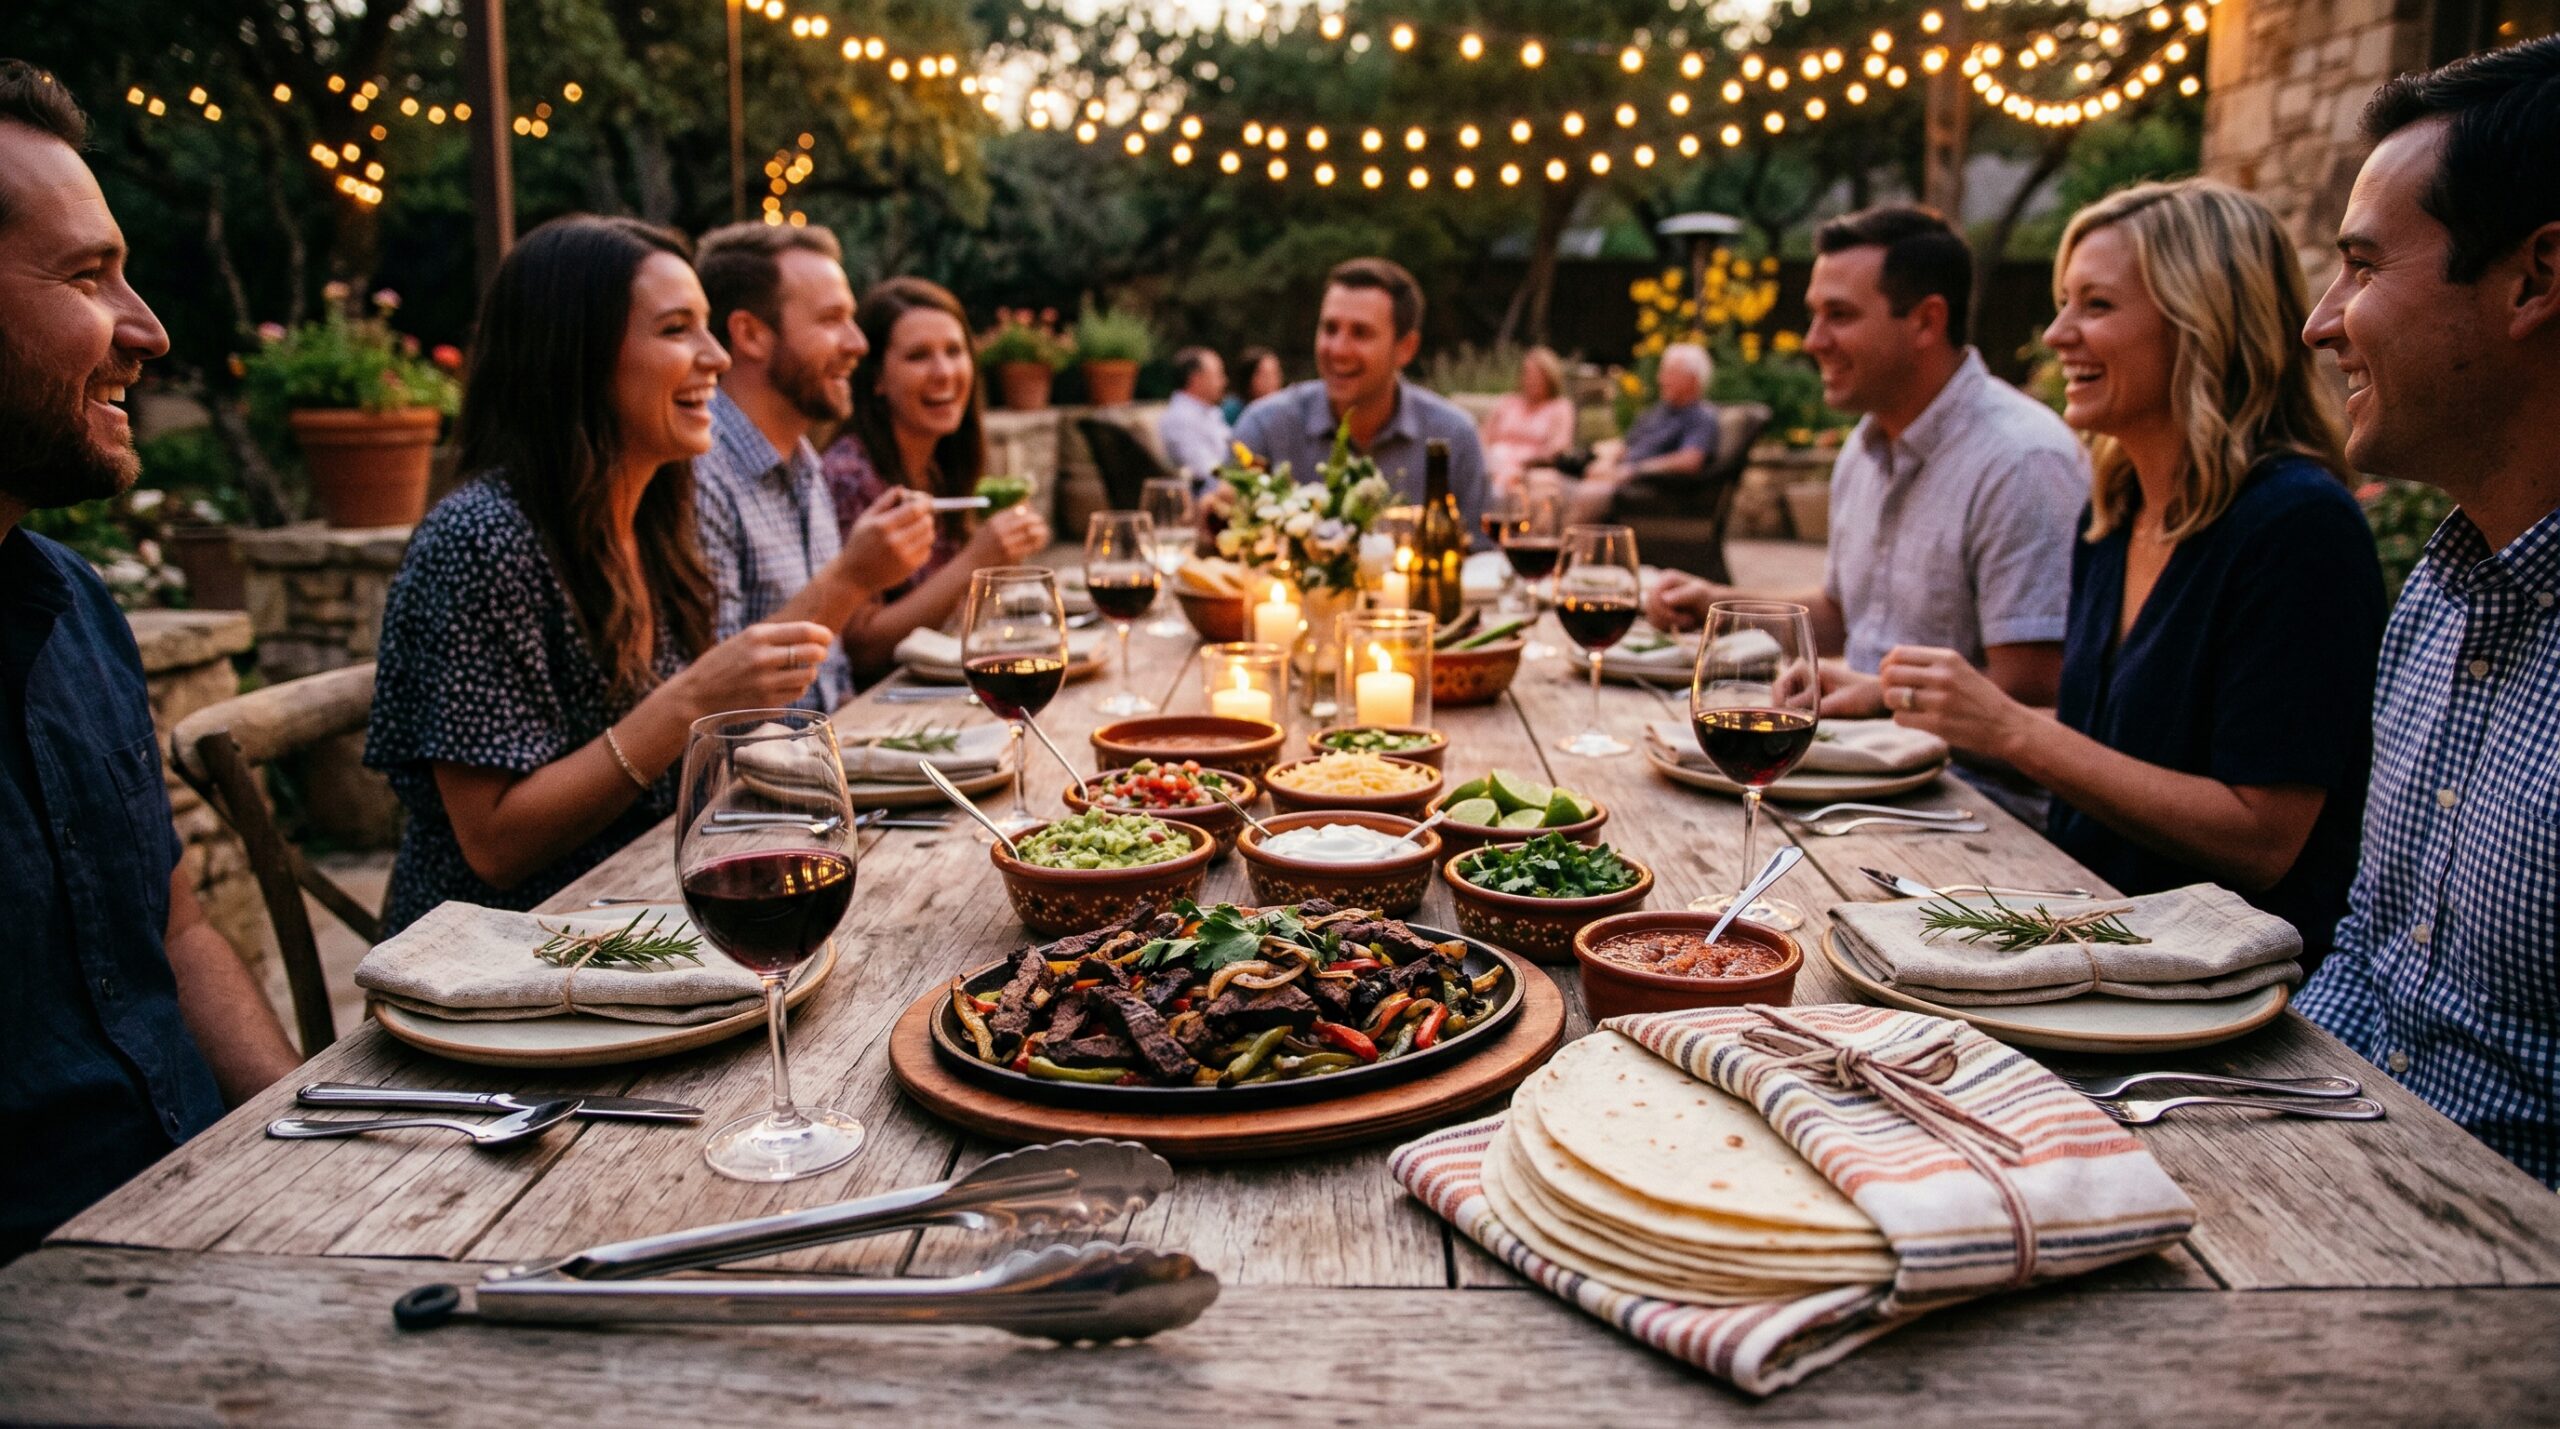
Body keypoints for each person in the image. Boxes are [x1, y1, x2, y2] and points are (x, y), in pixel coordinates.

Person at [1875, 180, 2384, 963]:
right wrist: (1940, 708)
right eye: (2063, 303)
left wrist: (2012, 730)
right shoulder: (2112, 514)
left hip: (2219, 989)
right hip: (2079, 930)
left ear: (2202, 322)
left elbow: (2262, 837)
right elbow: (2109, 751)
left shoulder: (2297, 525)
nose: (2056, 334)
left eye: (2096, 306)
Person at [0, 61, 298, 1259]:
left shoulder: (71, 602)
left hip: (211, 1210)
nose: (150, 330)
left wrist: (302, 1131)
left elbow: (172, 927)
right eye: (87, 275)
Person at [366, 216, 837, 937]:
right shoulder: (481, 540)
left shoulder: (652, 524)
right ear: (574, 354)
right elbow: (494, 845)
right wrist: (691, 704)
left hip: (640, 921)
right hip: (502, 961)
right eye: (678, 328)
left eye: (707, 326)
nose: (714, 357)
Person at [2292, 36, 2560, 1188]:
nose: (2321, 320)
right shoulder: (2440, 599)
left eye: (2360, 266)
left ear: (2535, 279)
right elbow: (2366, 964)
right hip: (2333, 1160)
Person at [1646, 206, 2087, 722]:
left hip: (1968, 793)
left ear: (1926, 321)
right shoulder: (1866, 445)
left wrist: (1883, 696)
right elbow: (1844, 614)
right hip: (1855, 759)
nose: (1813, 340)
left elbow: (2035, 695)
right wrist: (1721, 604)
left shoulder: (2021, 463)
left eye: (1840, 315)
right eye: (1815, 315)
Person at [691, 222, 934, 707]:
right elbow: (713, 710)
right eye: (831, 320)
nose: (858, 343)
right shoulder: (699, 473)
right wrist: (851, 578)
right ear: (751, 334)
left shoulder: (805, 464)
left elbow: (831, 678)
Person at [817, 276, 1051, 656]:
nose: (944, 372)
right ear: (876, 378)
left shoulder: (939, 467)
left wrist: (1005, 560)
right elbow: (861, 646)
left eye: (954, 351)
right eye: (918, 356)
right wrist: (977, 560)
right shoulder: (850, 477)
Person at [1230, 257, 1490, 542]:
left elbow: (1484, 558)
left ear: (1405, 348)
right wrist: (1214, 517)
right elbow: (1215, 537)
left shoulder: (1453, 436)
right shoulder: (1266, 426)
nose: (1338, 349)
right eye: (1330, 329)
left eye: (1360, 333)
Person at [1546, 342, 1718, 525]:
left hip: (1647, 487)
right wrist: (1606, 462)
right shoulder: (1658, 412)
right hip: (1617, 477)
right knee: (1544, 483)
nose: (1661, 379)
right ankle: (1536, 548)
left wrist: (1632, 471)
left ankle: (1566, 550)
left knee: (1589, 494)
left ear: (1692, 379)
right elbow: (1625, 445)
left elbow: (1690, 461)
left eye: (1669, 373)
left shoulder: (1701, 417)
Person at [1478, 344, 1576, 493]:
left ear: (1550, 377)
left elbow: (1559, 446)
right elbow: (1482, 436)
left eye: (1538, 375)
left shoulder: (1560, 407)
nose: (1531, 379)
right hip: (1494, 462)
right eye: (1528, 373)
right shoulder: (1508, 402)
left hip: (1530, 468)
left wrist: (1522, 463)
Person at [1157, 344, 1232, 491]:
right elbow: (1204, 471)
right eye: (1218, 375)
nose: (1224, 381)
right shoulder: (1179, 419)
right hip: (1205, 497)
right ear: (1196, 379)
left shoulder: (1209, 412)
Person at [1221, 345, 1281, 424]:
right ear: (1248, 378)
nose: (1273, 380)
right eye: (1265, 375)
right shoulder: (1232, 410)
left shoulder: (1280, 408)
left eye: (1275, 373)